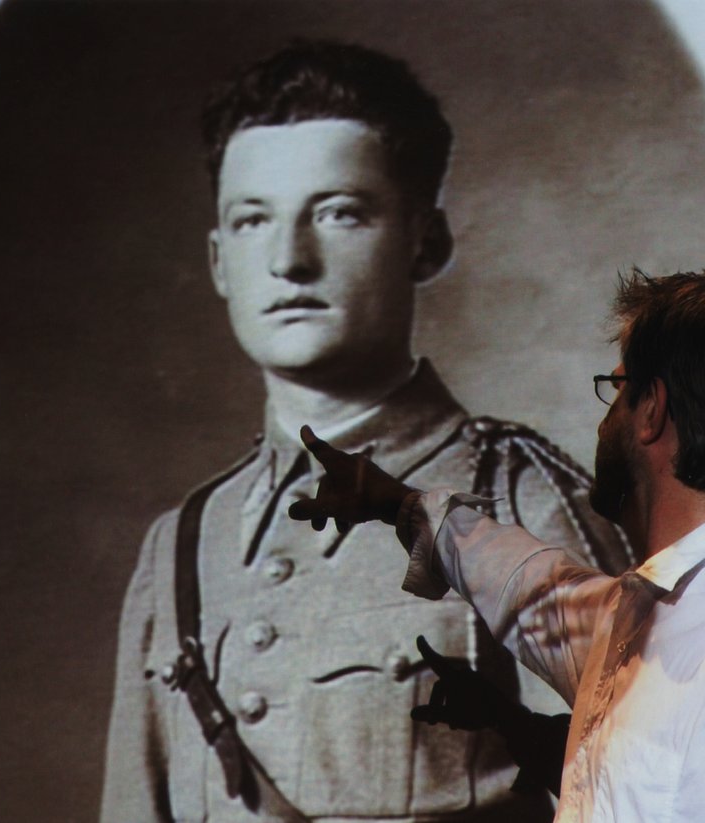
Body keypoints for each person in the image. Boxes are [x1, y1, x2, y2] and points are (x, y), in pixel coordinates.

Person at [100, 40, 630, 823]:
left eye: (340, 212)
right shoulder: (183, 542)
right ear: (218, 262)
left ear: (426, 240)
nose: (289, 258)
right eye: (252, 221)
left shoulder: (514, 501)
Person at [291, 268, 705, 822]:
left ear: (651, 410)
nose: (603, 422)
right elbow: (530, 588)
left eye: (617, 389)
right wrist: (397, 503)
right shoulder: (641, 616)